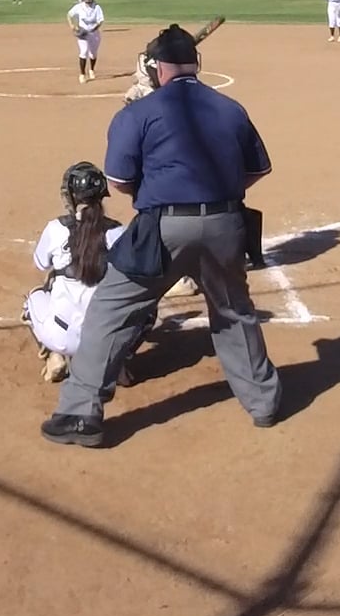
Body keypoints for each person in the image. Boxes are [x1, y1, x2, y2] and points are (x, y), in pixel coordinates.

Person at [42, 24, 280, 448]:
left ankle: (80, 415)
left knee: (111, 310)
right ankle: (264, 403)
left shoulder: (138, 113)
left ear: (156, 69)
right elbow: (257, 169)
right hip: (227, 224)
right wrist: (218, 191)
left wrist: (160, 193)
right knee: (233, 311)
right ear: (197, 63)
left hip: (163, 227)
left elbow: (119, 180)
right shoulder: (230, 108)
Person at [22, 162, 131, 384]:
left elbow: (40, 264)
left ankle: (55, 357)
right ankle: (118, 363)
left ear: (71, 196)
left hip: (61, 337)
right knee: (146, 309)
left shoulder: (56, 228)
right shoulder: (117, 232)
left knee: (34, 297)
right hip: (105, 340)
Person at [67, 0, 105, 83]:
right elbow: (69, 14)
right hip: (83, 34)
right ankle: (82, 74)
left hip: (94, 34)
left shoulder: (97, 7)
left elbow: (100, 21)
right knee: (83, 52)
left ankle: (91, 69)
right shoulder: (79, 7)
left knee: (93, 54)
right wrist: (72, 26)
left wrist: (93, 29)